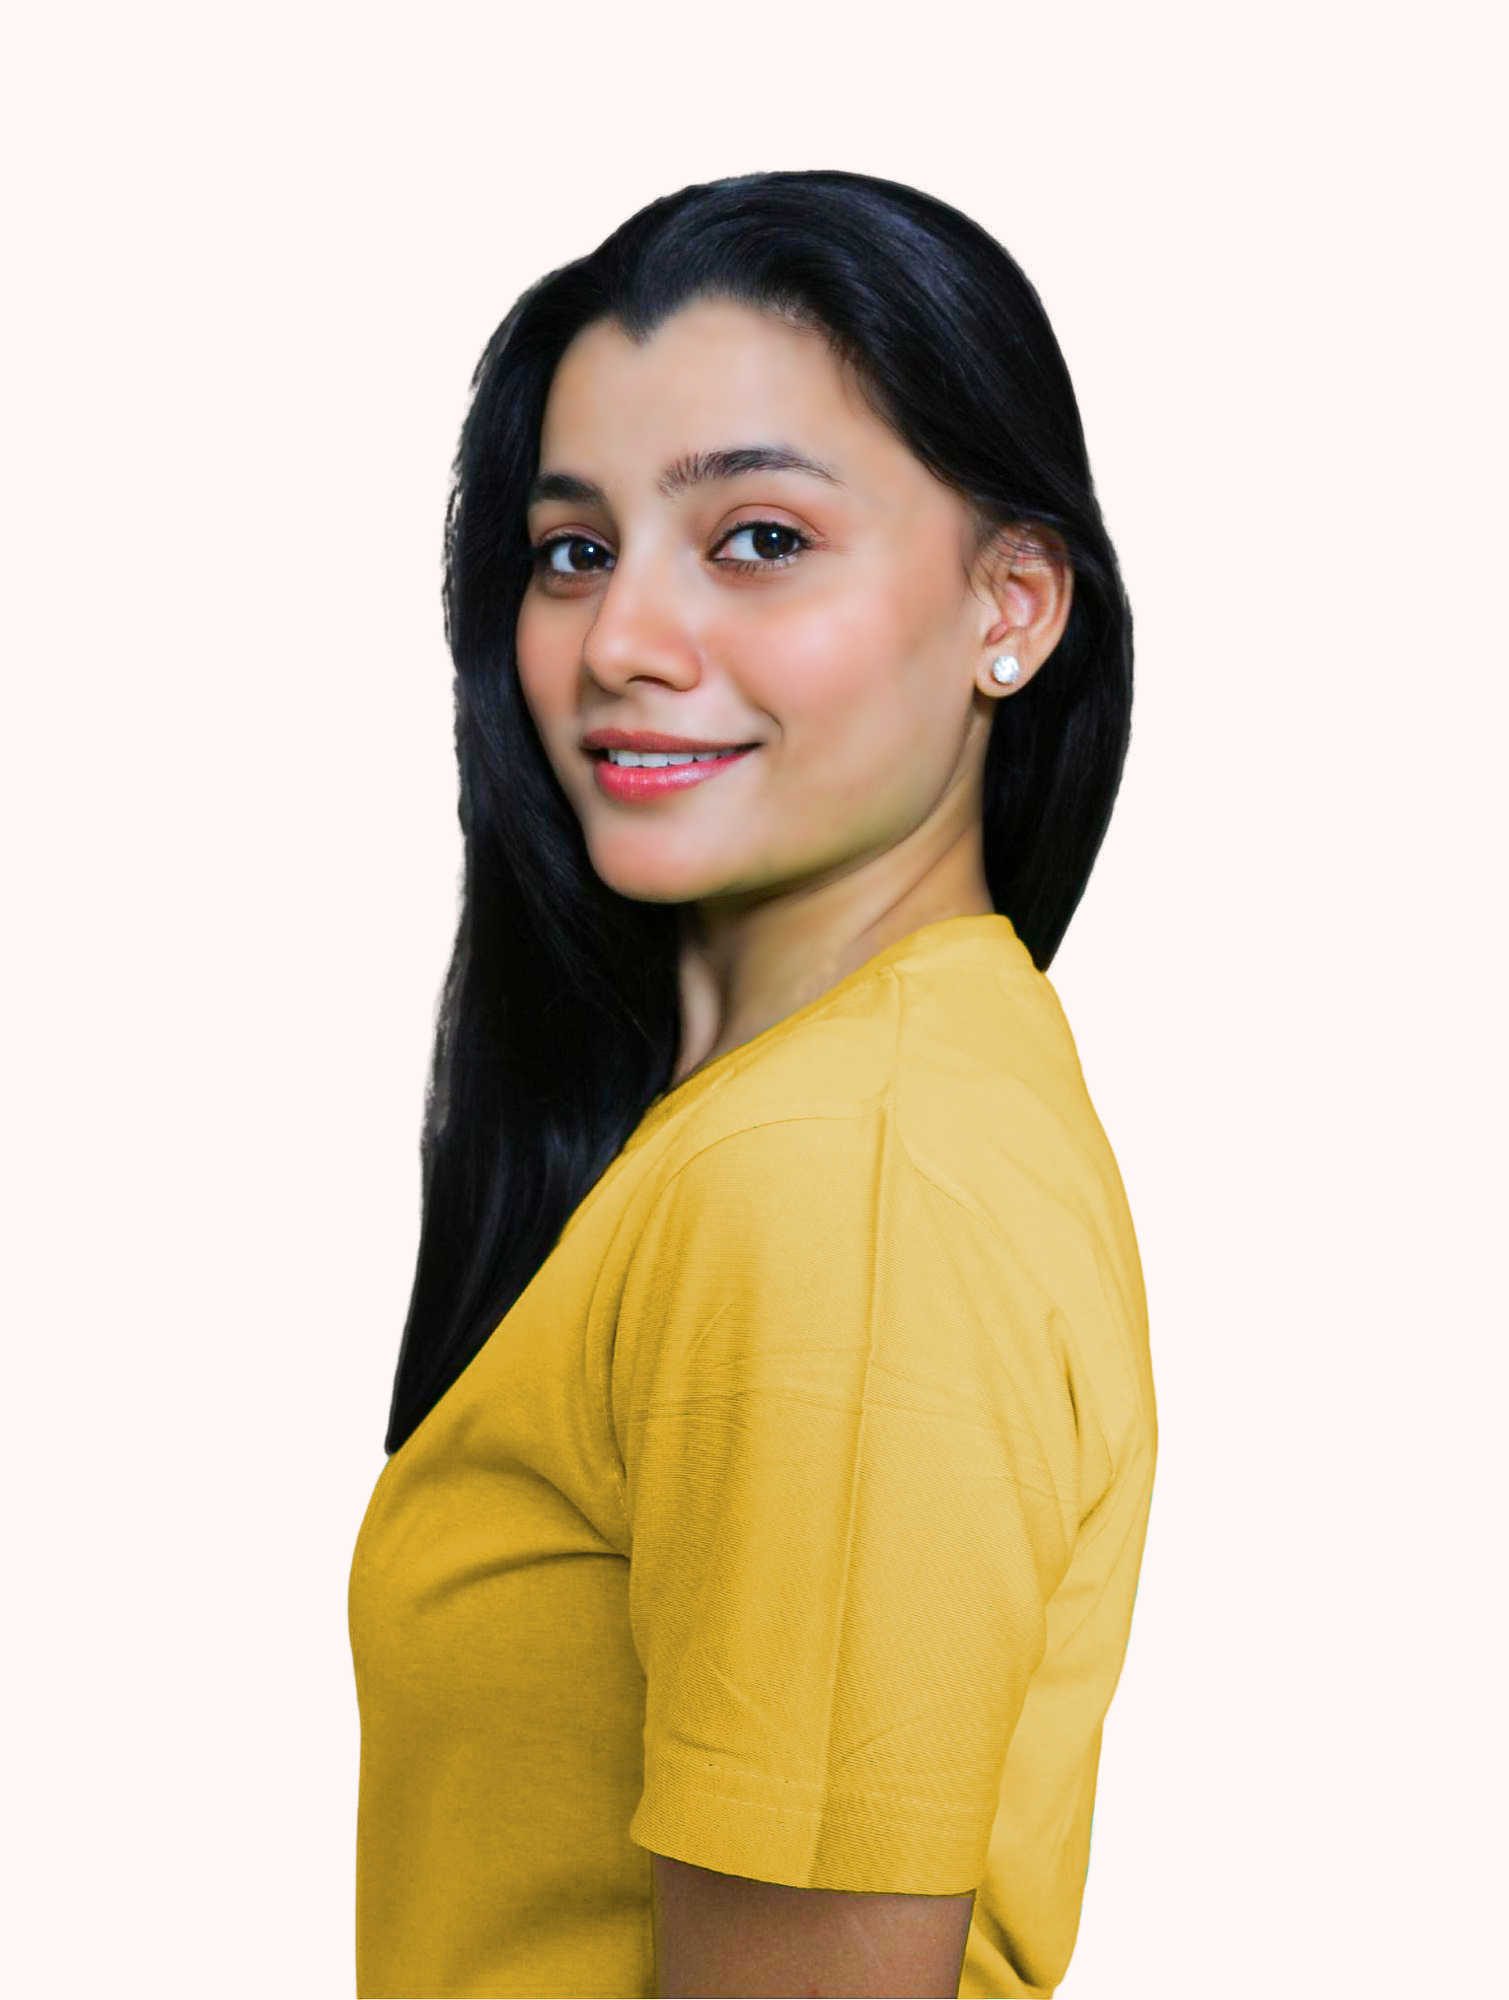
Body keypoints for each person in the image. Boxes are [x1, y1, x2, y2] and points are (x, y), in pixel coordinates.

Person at [348, 168, 1157, 1999]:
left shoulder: (836, 1184)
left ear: (1013, 604)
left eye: (759, 538)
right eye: (574, 550)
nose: (620, 641)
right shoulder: (833, 1103)